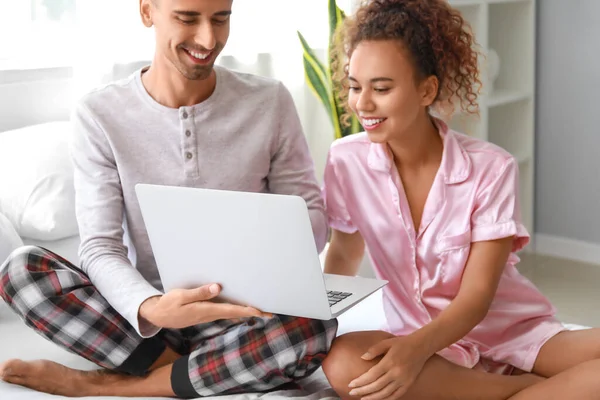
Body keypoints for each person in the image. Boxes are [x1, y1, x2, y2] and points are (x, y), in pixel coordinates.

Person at [0, 0, 337, 397]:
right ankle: (209, 371)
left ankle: (109, 386)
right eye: (188, 18)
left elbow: (313, 216)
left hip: (246, 313)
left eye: (221, 18)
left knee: (315, 326)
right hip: (149, 319)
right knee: (22, 271)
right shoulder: (100, 114)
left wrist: (278, 232)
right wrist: (150, 307)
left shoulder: (270, 101)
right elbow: (100, 247)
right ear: (147, 12)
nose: (208, 38)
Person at [320, 0, 600, 399]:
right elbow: (344, 254)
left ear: (426, 89)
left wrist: (413, 353)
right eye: (354, 86)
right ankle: (529, 391)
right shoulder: (345, 160)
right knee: (343, 363)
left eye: (381, 88)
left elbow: (475, 299)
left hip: (509, 331)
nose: (362, 104)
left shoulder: (491, 169)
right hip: (421, 338)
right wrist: (313, 323)